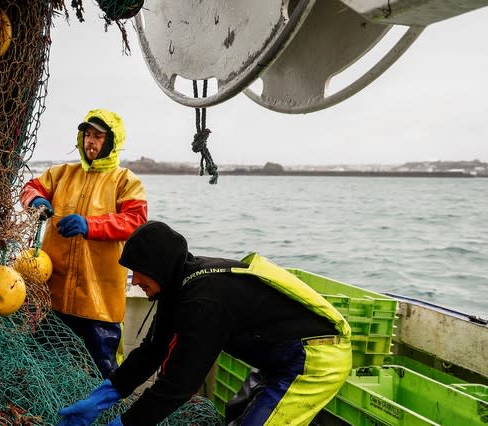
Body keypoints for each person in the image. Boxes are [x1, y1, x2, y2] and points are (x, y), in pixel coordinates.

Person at [57, 221, 353, 426]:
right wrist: (101, 398)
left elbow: (179, 384)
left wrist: (127, 422)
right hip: (276, 358)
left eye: (139, 271)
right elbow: (153, 350)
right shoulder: (179, 284)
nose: (136, 280)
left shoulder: (204, 302)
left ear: (157, 266)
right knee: (237, 414)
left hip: (315, 357)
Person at [20, 108, 148, 378]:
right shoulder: (61, 173)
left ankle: (106, 414)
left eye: (98, 136)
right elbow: (30, 188)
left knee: (101, 369)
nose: (90, 141)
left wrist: (90, 225)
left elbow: (136, 220)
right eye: (87, 134)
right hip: (53, 296)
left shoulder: (126, 181)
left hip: (99, 300)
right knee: (42, 366)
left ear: (112, 141)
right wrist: (36, 201)